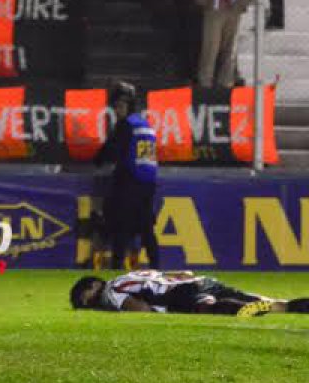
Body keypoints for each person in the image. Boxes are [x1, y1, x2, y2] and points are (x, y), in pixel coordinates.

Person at [94, 82, 159, 270]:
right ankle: (156, 267)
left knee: (119, 225)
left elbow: (110, 153)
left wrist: (97, 159)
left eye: (119, 106)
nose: (116, 110)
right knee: (146, 229)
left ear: (127, 105)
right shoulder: (145, 125)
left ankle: (116, 266)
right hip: (148, 184)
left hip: (129, 181)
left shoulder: (125, 125)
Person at [70, 269, 309, 317]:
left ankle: (251, 309)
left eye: (86, 299)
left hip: (179, 294)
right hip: (198, 281)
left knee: (207, 308)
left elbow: (140, 309)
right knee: (268, 301)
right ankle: (290, 306)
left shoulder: (111, 290)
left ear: (93, 285)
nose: (90, 304)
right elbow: (181, 273)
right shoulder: (129, 275)